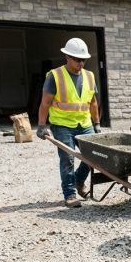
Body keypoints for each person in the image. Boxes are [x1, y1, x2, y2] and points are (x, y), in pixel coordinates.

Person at [36, 38, 101, 208]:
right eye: (77, 59)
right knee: (68, 159)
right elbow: (45, 103)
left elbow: (93, 102)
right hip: (62, 125)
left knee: (93, 156)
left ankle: (79, 182)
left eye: (83, 60)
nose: (81, 63)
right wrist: (42, 126)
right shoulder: (55, 76)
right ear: (67, 57)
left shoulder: (89, 76)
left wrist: (97, 124)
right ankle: (70, 194)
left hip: (85, 124)